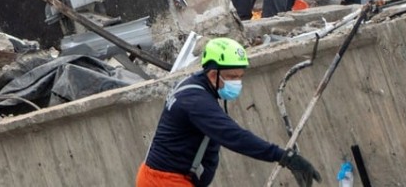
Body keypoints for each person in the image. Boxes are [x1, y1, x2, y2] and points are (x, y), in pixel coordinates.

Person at [136, 37, 321, 187]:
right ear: (213, 74)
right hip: (163, 181)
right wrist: (283, 157)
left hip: (166, 178)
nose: (237, 83)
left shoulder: (196, 86)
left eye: (240, 77)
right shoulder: (195, 101)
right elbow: (234, 136)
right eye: (232, 77)